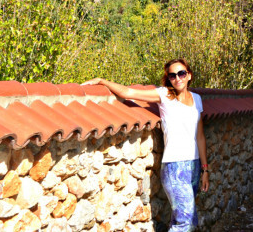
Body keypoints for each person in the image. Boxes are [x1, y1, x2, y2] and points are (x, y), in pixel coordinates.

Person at [82, 59, 209, 232]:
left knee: (183, 218)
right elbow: (128, 93)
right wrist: (101, 81)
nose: (177, 78)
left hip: (193, 165)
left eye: (181, 73)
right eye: (172, 75)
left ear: (189, 75)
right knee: (185, 222)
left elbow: (200, 137)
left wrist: (205, 169)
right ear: (169, 79)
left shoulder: (197, 99)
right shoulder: (164, 95)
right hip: (174, 166)